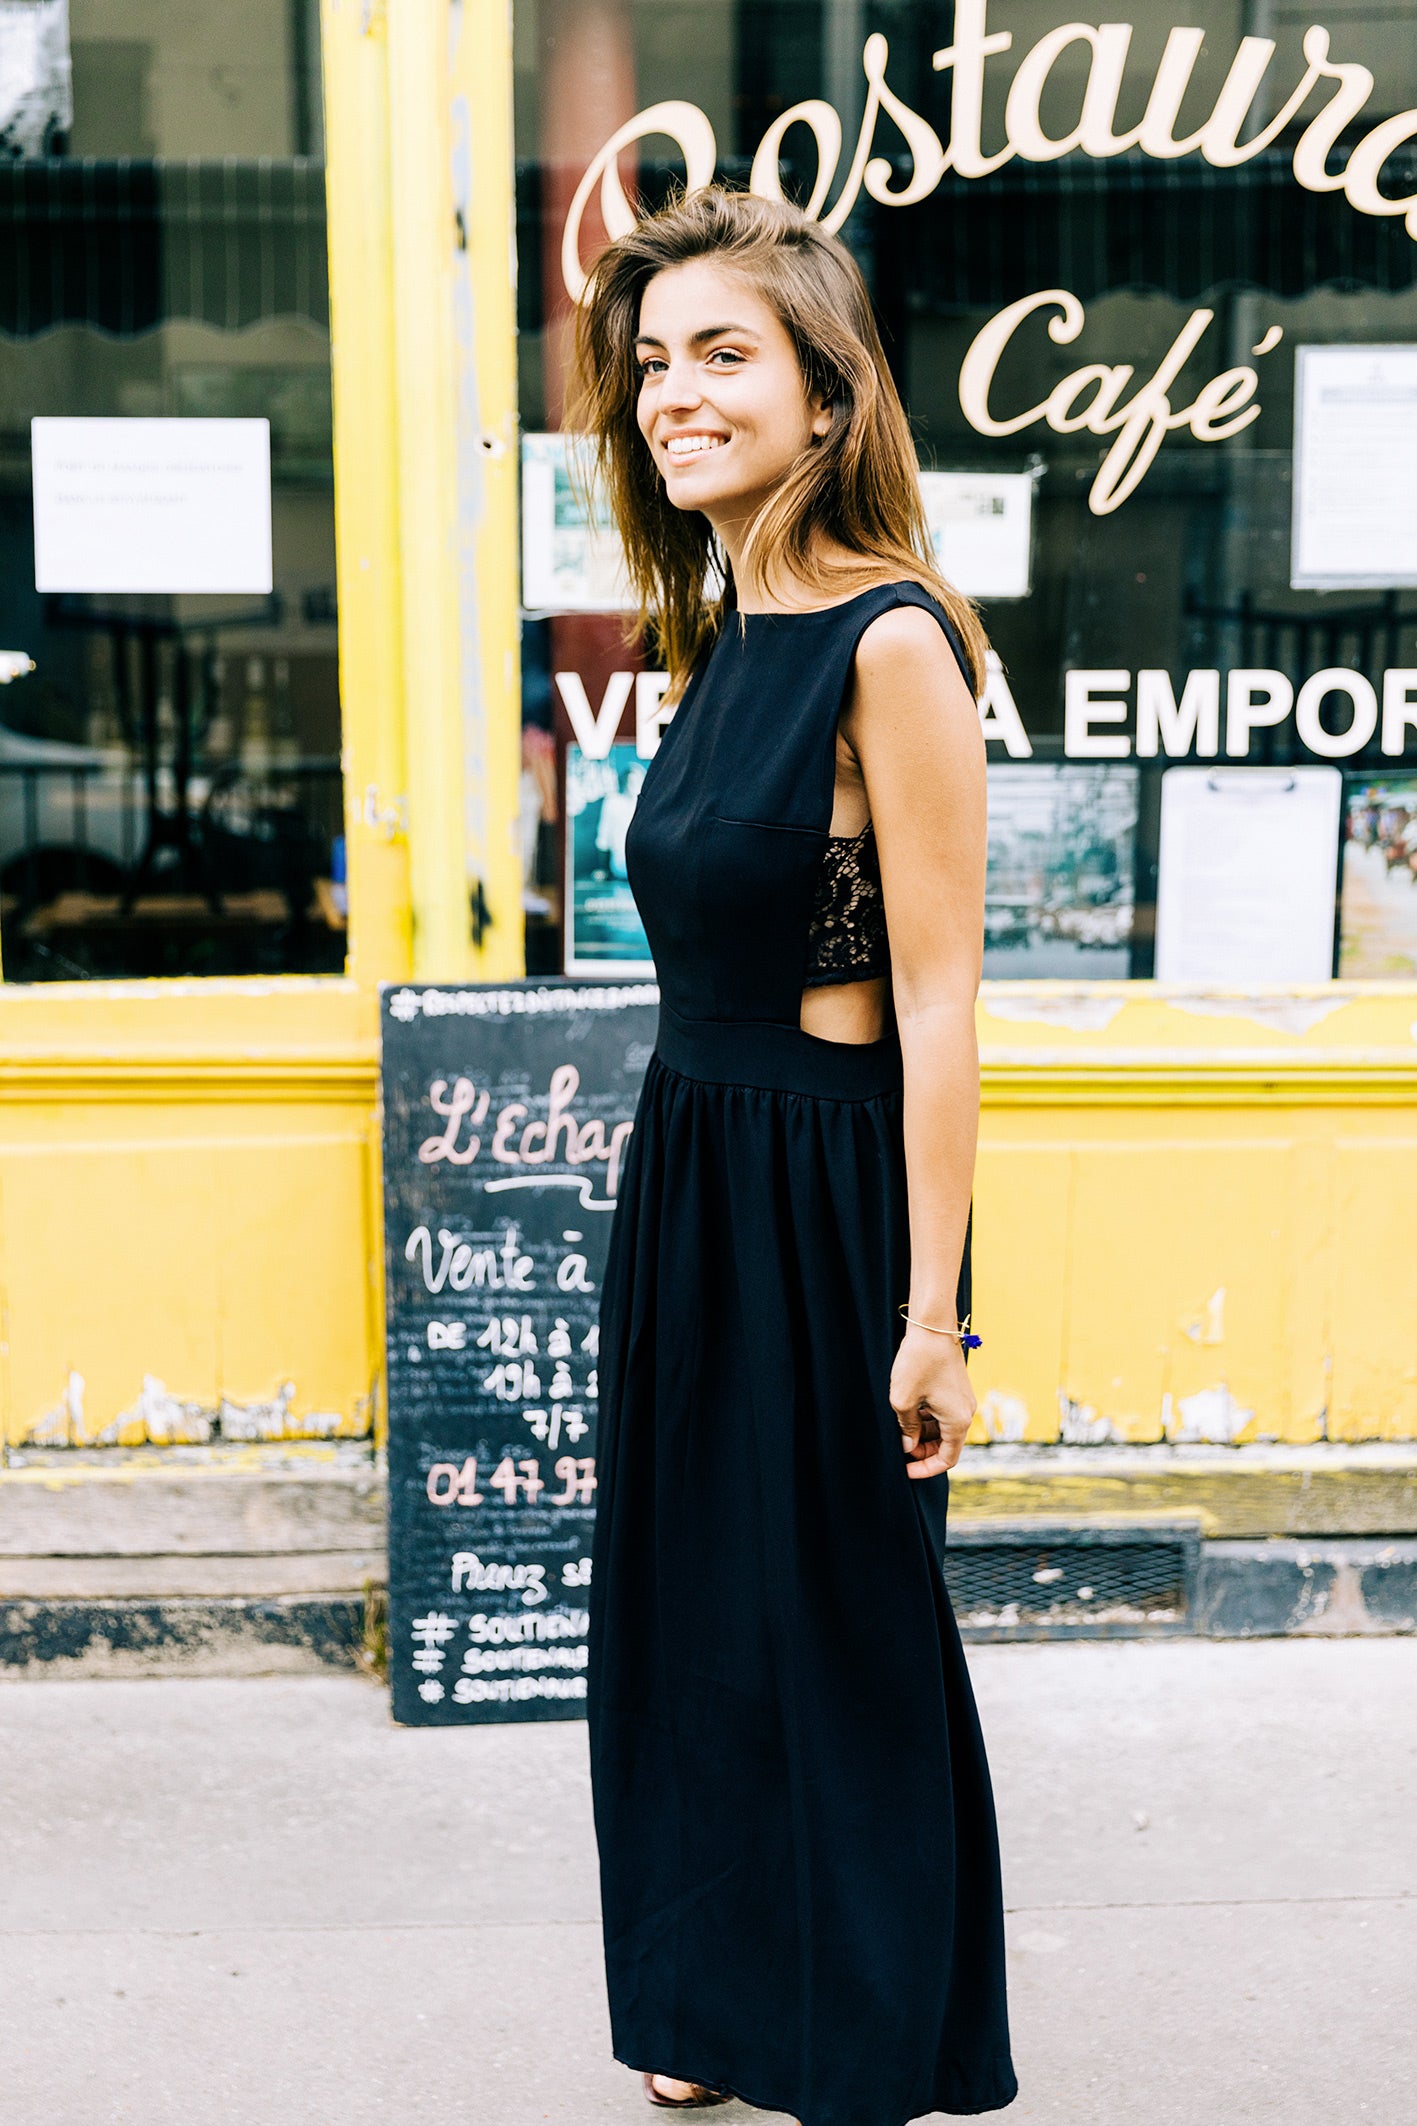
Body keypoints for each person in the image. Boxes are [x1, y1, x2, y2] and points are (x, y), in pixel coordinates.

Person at [571, 187, 1017, 2126]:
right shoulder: (725, 620)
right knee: (685, 1612)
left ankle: (860, 2028)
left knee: (829, 1626)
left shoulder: (889, 639)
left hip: (831, 1203)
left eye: (722, 353)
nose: (675, 392)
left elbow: (938, 1001)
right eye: (655, 361)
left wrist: (932, 1316)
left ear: (830, 394)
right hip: (691, 1174)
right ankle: (706, 1994)